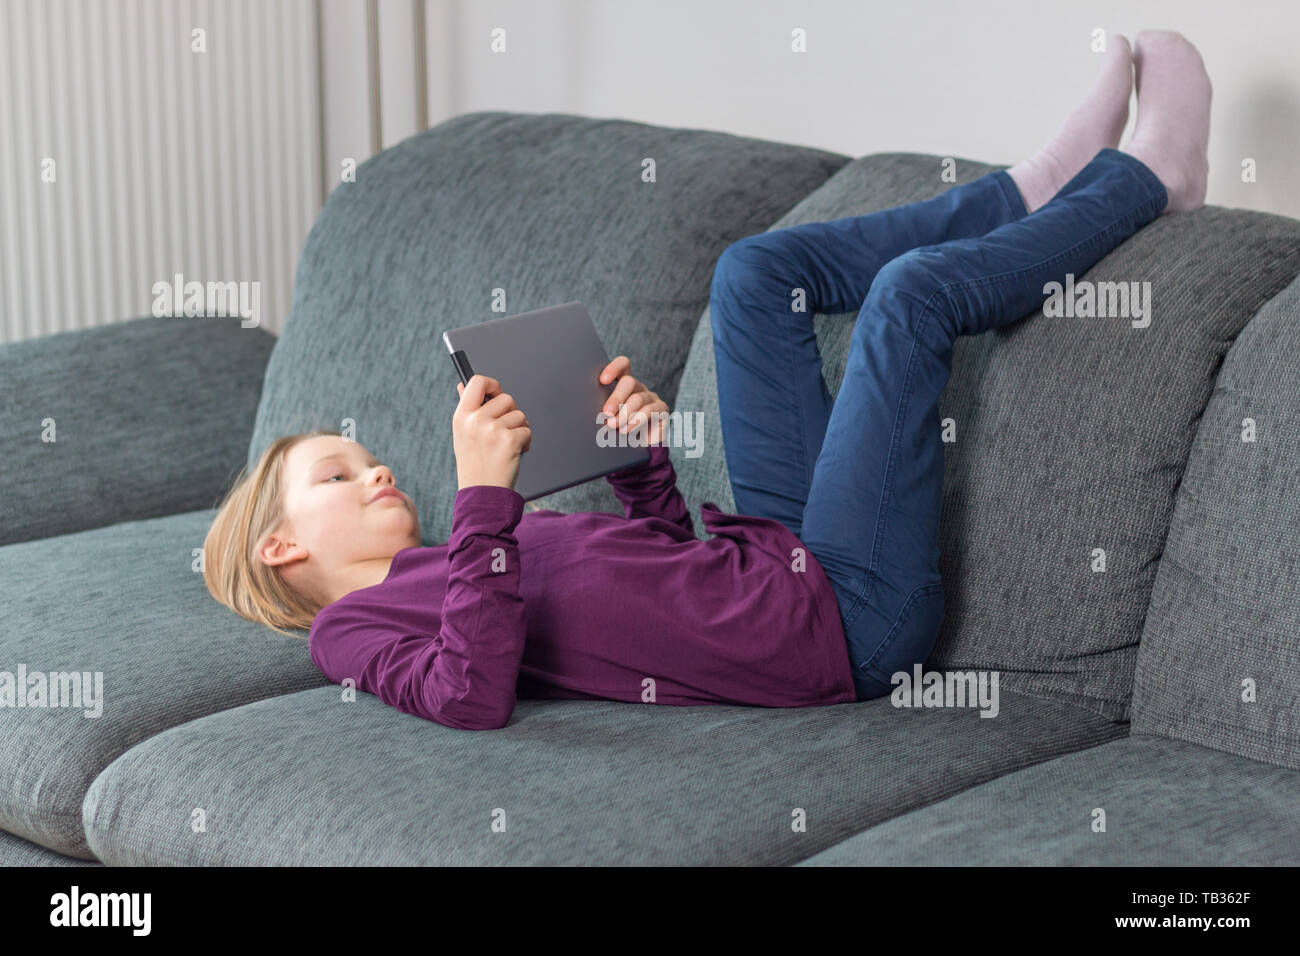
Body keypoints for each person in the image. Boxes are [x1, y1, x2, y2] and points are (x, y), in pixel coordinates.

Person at [202, 30, 1211, 729]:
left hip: (774, 555)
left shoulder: (484, 549)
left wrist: (642, 465)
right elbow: (471, 690)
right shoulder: (352, 627)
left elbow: (661, 576)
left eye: (364, 460)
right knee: (906, 301)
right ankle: (1147, 181)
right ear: (284, 544)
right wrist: (482, 499)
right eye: (340, 475)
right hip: (844, 624)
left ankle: (1017, 195)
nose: (379, 472)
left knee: (753, 273)